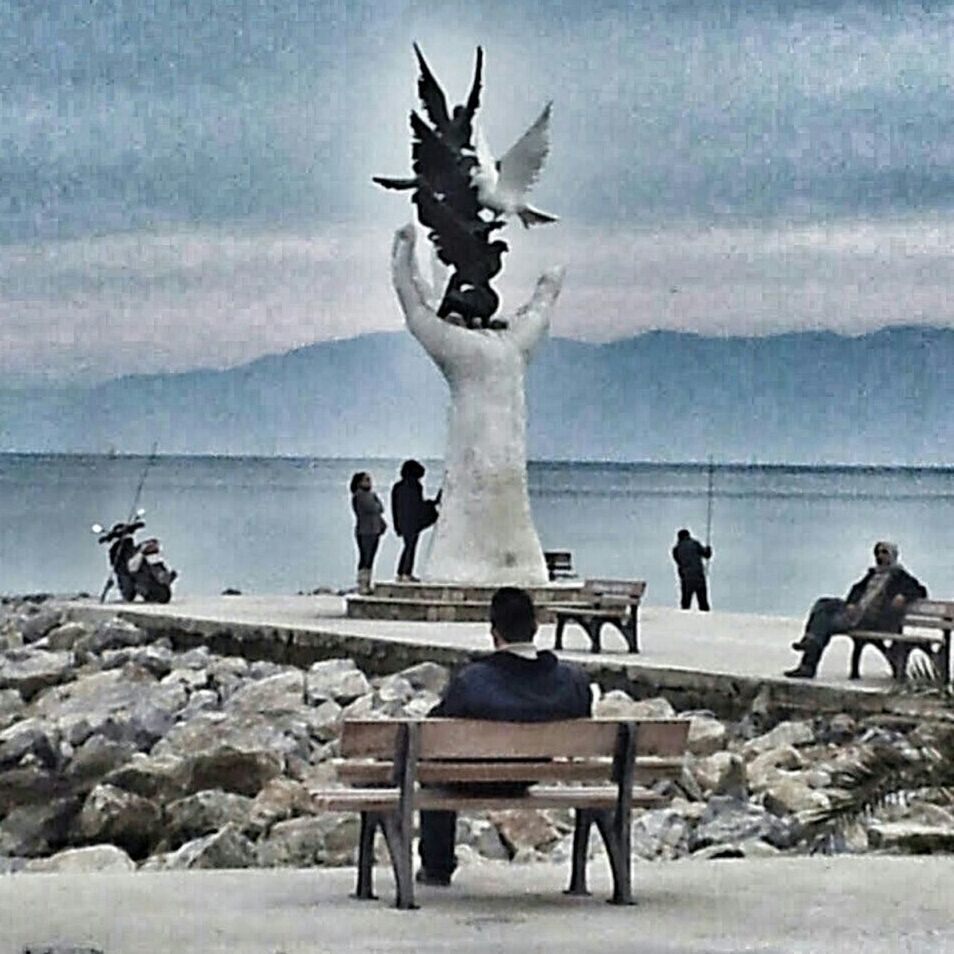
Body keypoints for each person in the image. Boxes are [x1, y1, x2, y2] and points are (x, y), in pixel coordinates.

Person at [417, 586, 592, 886]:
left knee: (432, 773)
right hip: (528, 775)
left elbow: (432, 731)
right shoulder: (571, 682)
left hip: (473, 779)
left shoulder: (473, 681)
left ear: (494, 632)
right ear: (535, 629)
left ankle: (437, 866)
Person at [784, 541, 927, 679]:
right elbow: (856, 589)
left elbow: (920, 590)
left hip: (873, 621)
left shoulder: (900, 576)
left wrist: (903, 596)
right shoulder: (873, 574)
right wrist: (852, 603)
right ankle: (809, 648)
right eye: (877, 552)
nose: (880, 556)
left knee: (823, 624)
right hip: (855, 615)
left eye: (884, 552)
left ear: (893, 555)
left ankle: (808, 661)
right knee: (823, 605)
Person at [390, 459, 440, 582]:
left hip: (403, 521)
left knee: (408, 546)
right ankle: (406, 572)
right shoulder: (416, 486)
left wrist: (396, 525)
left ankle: (402, 572)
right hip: (412, 521)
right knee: (411, 547)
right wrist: (431, 504)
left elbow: (394, 507)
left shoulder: (397, 487)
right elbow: (417, 505)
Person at [349, 471, 386, 595]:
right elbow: (375, 508)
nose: (369, 482)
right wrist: (376, 500)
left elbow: (380, 508)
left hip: (373, 530)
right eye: (366, 480)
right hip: (365, 531)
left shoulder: (369, 495)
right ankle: (362, 584)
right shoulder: (359, 496)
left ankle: (366, 582)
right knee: (365, 557)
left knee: (370, 558)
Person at [672, 528, 712, 611]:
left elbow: (678, 562)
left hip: (686, 578)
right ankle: (706, 620)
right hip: (699, 576)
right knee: (703, 602)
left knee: (686, 603)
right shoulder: (695, 544)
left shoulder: (676, 549)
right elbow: (706, 555)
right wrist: (708, 550)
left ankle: (684, 620)